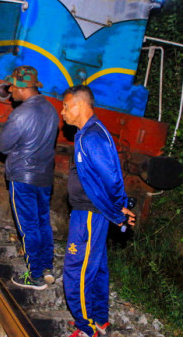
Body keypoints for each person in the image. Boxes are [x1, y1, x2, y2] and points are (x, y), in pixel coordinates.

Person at [60, 85, 136, 337]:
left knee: (76, 268)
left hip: (90, 214)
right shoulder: (88, 133)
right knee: (97, 267)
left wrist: (117, 209)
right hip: (91, 212)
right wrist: (117, 208)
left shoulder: (91, 136)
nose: (62, 112)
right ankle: (99, 319)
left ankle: (86, 328)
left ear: (80, 105)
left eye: (66, 106)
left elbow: (112, 177)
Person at [0, 66, 59, 290]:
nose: (10, 90)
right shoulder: (51, 110)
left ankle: (34, 276)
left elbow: (3, 146)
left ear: (22, 87)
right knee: (43, 222)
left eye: (12, 85)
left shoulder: (20, 114)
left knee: (28, 227)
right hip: (44, 177)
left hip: (23, 177)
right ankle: (46, 268)